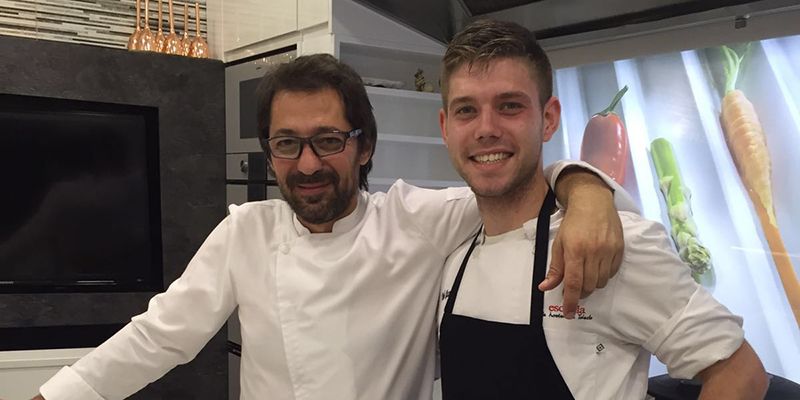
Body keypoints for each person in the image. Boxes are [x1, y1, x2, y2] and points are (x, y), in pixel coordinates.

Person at [33, 54, 633, 400]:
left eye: (328, 141)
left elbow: (513, 182)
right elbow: (159, 337)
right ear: (270, 153)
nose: (309, 164)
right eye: (288, 144)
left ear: (363, 146)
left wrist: (586, 190)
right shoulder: (246, 231)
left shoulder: (416, 220)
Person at [436, 19, 768, 400]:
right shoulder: (453, 254)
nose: (486, 128)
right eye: (466, 110)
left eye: (510, 106)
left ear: (549, 119)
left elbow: (741, 374)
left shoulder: (608, 246)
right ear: (445, 127)